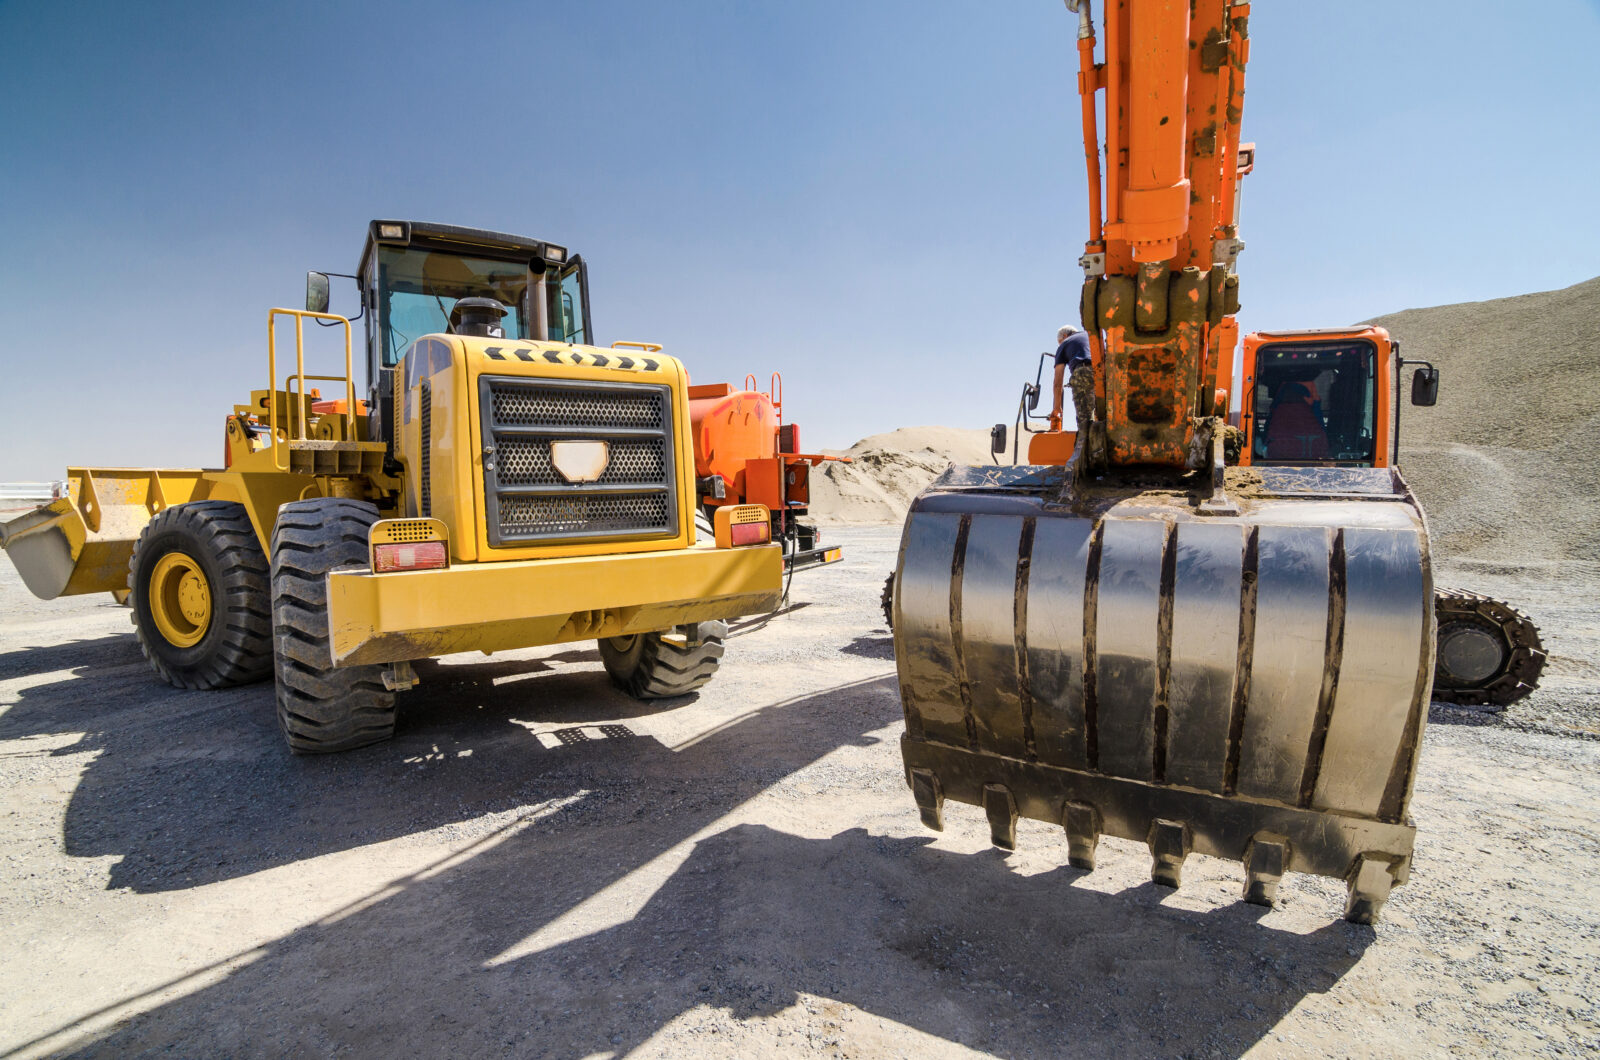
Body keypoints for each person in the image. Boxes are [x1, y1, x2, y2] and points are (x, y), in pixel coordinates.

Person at [1264, 381, 1329, 460]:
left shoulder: (1279, 408)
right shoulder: (1311, 407)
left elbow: (1267, 434)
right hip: (1312, 458)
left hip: (1280, 459)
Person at [1050, 324, 1094, 431]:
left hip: (1083, 372)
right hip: (1105, 370)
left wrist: (1057, 407)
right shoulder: (1090, 335)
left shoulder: (1065, 343)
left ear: (1065, 336)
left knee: (1085, 420)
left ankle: (1087, 443)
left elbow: (1058, 381)